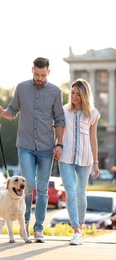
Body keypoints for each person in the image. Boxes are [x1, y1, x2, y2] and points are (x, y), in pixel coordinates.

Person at [0, 57, 65, 242]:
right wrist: (3, 113)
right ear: (32, 70)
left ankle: (39, 229)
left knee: (42, 189)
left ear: (48, 72)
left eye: (43, 75)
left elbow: (59, 120)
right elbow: (12, 110)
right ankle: (24, 225)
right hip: (25, 145)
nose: (39, 78)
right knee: (27, 186)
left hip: (45, 147)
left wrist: (59, 144)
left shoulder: (56, 92)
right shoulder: (22, 87)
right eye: (36, 74)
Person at [53, 78, 100, 245]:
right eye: (72, 93)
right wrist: (57, 146)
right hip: (65, 158)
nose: (74, 96)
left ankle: (80, 228)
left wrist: (95, 162)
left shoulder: (92, 113)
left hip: (86, 159)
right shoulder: (63, 111)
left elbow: (93, 139)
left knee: (81, 194)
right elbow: (58, 131)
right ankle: (76, 231)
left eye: (78, 94)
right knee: (70, 194)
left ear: (84, 96)